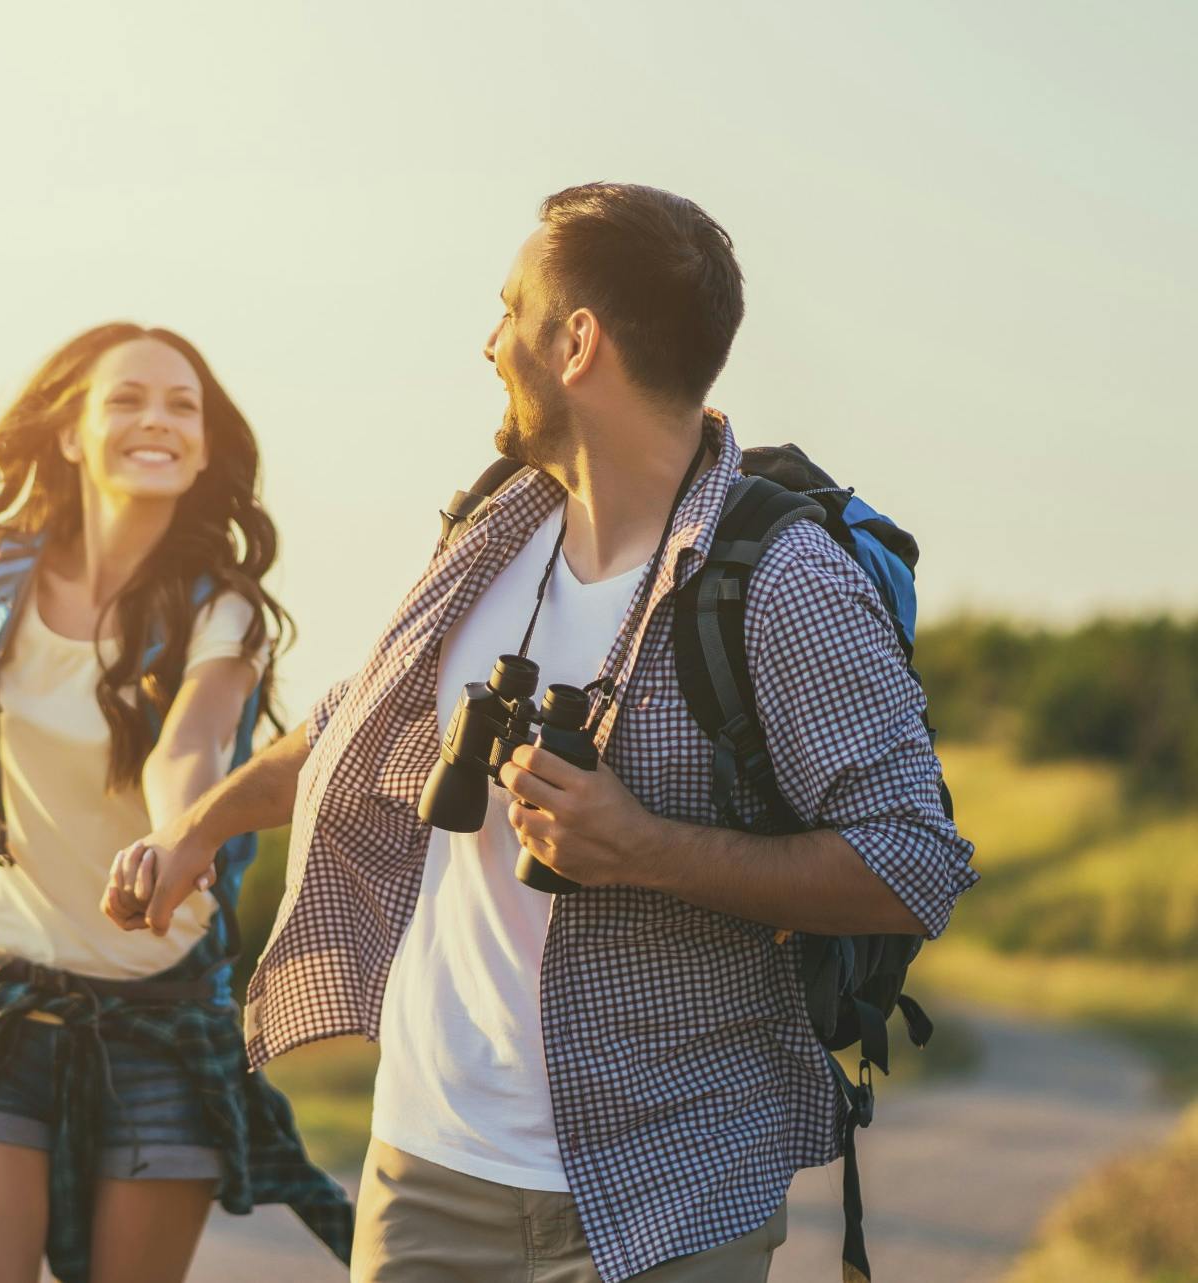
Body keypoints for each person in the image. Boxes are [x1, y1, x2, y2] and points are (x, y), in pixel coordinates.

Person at [105, 184, 978, 1282]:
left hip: (673, 1181)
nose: (486, 341)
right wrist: (198, 825)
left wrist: (642, 847)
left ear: (576, 342)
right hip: (426, 1168)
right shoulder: (492, 522)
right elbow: (359, 713)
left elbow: (912, 862)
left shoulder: (782, 581)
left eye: (508, 308)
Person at [0, 322, 352, 1283]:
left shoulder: (224, 608)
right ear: (72, 433)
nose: (156, 419)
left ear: (205, 447)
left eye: (181, 405)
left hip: (163, 1019)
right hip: (4, 999)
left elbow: (190, 745)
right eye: (126, 398)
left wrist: (178, 836)